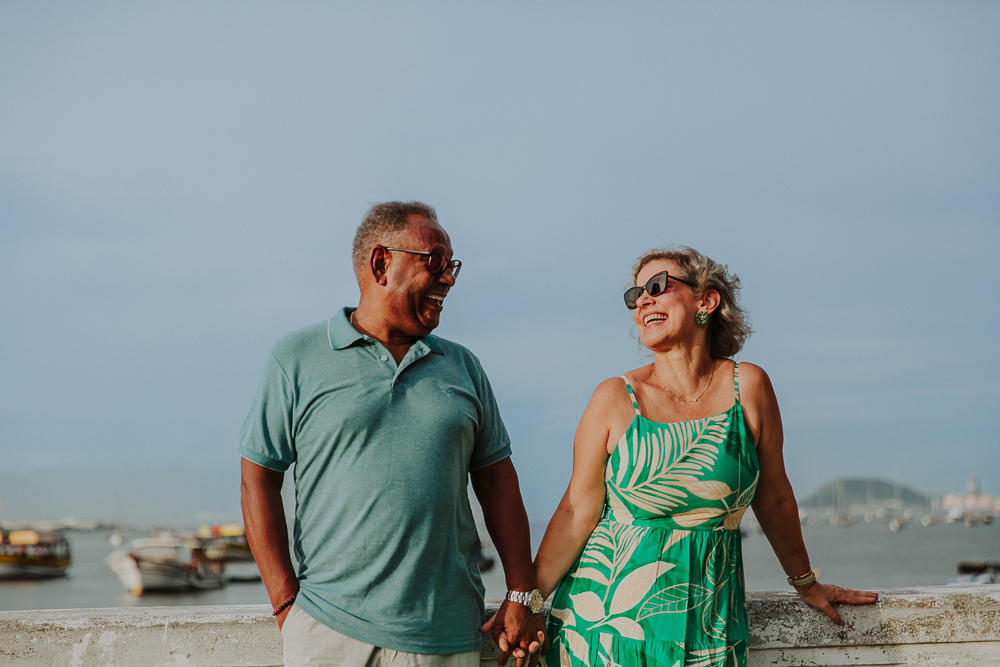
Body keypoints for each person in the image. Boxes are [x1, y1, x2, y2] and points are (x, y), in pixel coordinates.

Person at [533, 247, 878, 667]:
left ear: (706, 301)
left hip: (709, 630)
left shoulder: (748, 387)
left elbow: (774, 498)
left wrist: (806, 584)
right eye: (635, 295)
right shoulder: (615, 398)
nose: (642, 300)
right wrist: (527, 603)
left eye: (657, 286)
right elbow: (576, 512)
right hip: (603, 632)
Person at [240, 202, 546, 667]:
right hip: (327, 632)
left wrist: (522, 593)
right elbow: (258, 477)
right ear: (381, 262)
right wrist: (285, 602)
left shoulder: (463, 367)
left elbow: (498, 482)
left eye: (453, 266)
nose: (448, 279)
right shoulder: (296, 358)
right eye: (435, 261)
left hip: (445, 634)